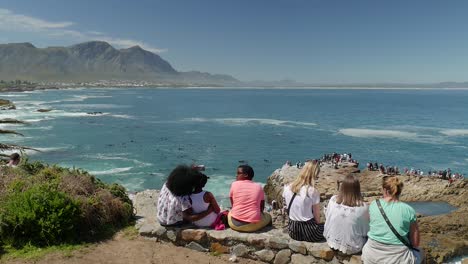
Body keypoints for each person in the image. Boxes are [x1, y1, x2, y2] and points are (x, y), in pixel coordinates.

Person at [362, 176, 422, 264]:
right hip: (398, 259)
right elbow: (415, 243)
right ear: (399, 191)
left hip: (372, 255)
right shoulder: (408, 210)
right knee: (421, 252)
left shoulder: (374, 204)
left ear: (385, 190)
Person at [324, 174, 369, 254]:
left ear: (342, 187)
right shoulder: (363, 207)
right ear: (357, 189)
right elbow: (366, 231)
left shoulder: (333, 200)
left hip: (331, 241)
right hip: (352, 247)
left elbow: (328, 217)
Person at [283, 161, 325, 242]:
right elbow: (317, 217)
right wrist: (320, 226)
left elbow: (285, 206)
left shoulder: (288, 188)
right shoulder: (312, 191)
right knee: (327, 227)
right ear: (314, 175)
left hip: (293, 231)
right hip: (310, 233)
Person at [228, 165, 271, 232]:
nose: (236, 175)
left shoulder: (234, 184)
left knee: (230, 212)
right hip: (252, 226)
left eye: (238, 173)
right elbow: (261, 208)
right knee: (268, 216)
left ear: (245, 175)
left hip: (234, 224)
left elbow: (233, 204)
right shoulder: (259, 187)